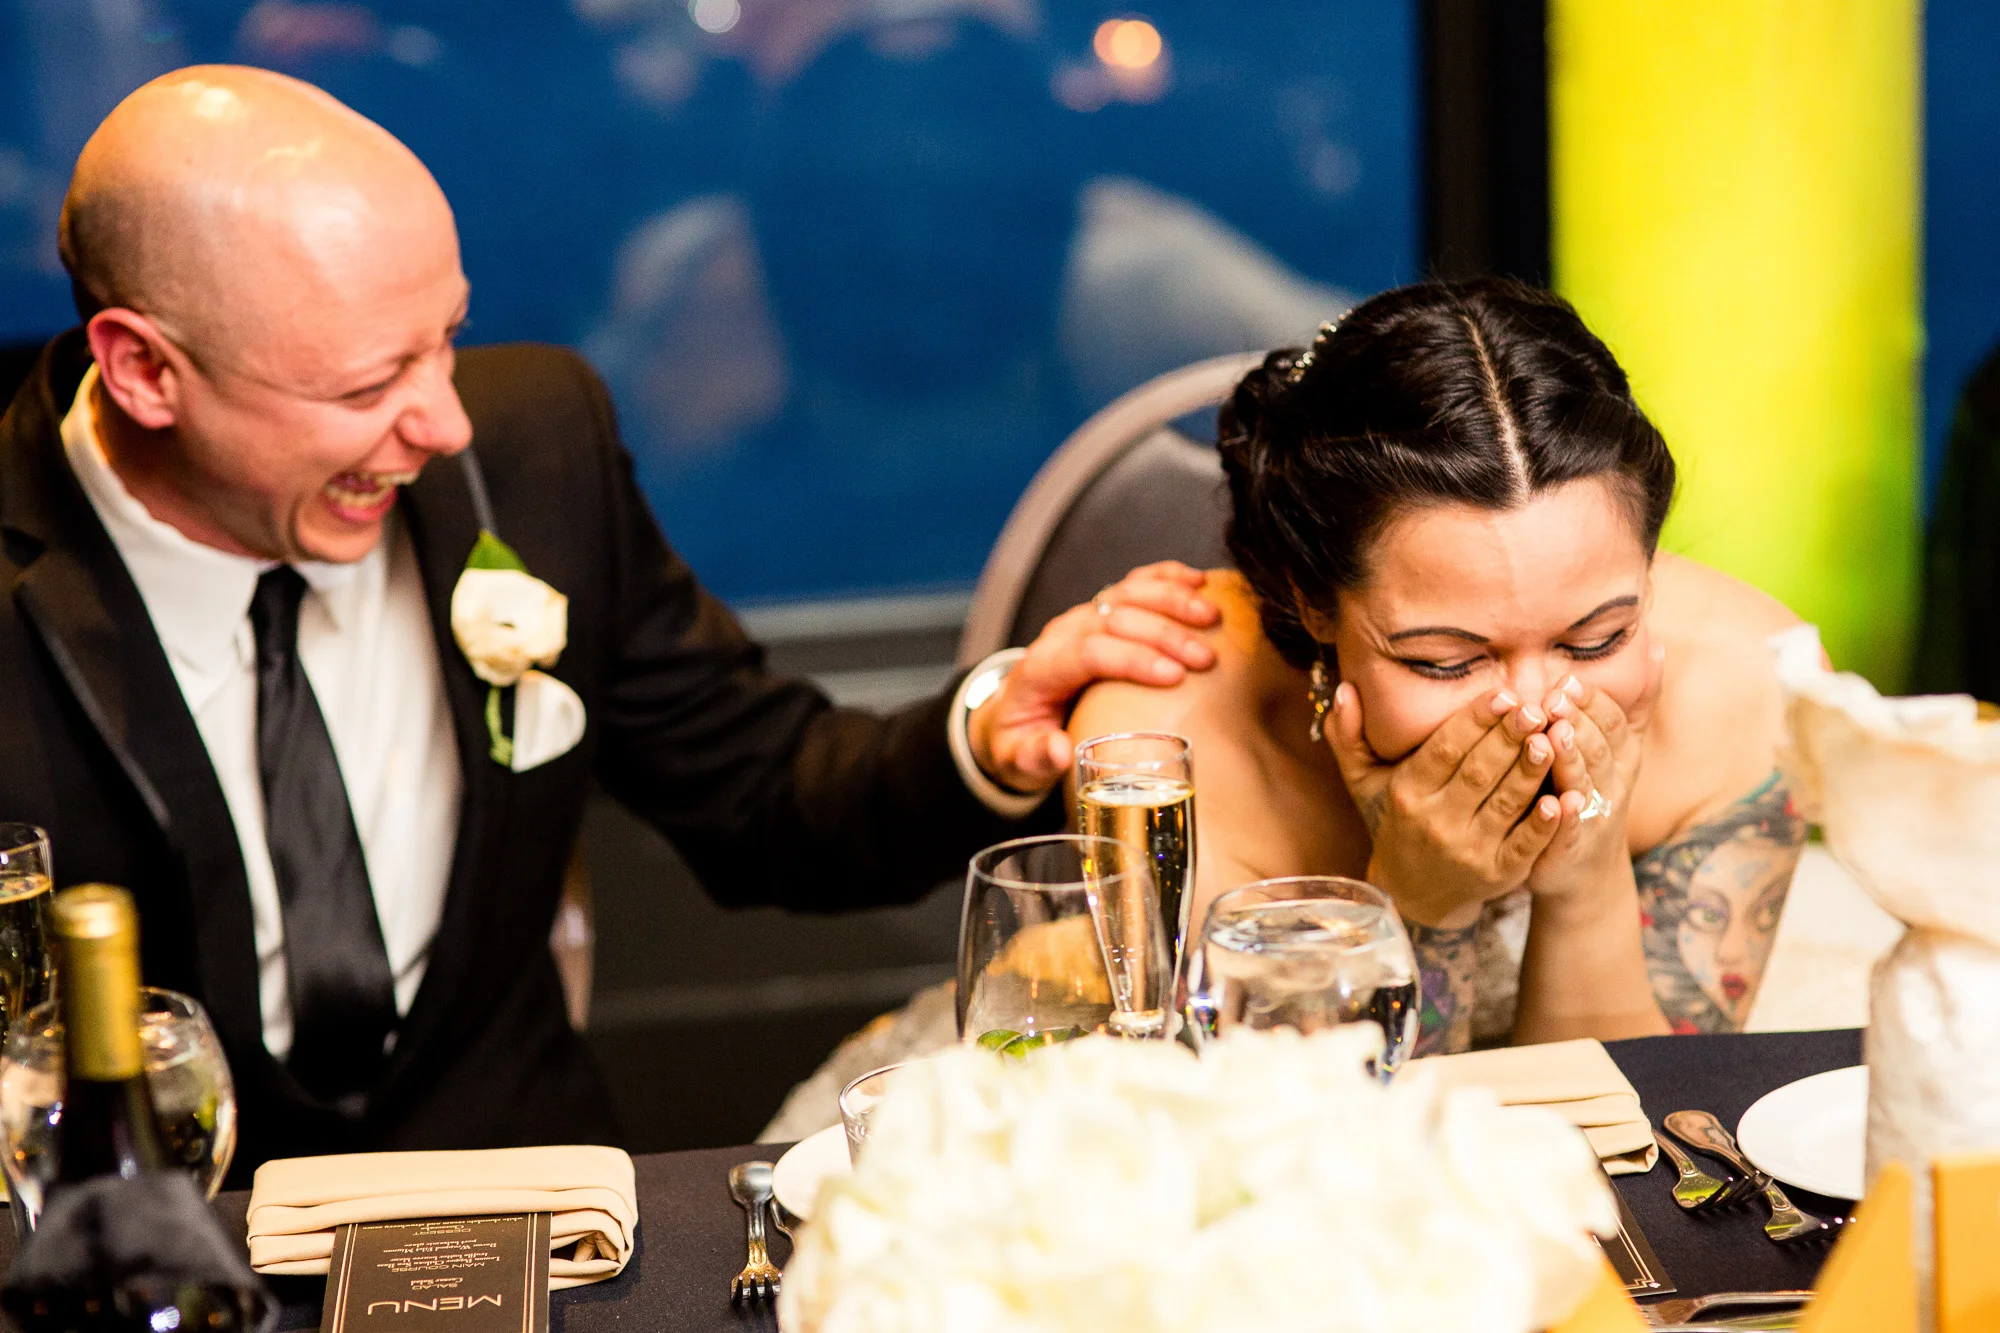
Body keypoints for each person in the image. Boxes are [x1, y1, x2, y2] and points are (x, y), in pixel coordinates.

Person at [0, 65, 1220, 1179]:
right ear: (145, 371)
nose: (443, 425)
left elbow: (766, 791)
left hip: (536, 1204)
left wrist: (986, 729)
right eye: (367, 385)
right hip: (149, 1239)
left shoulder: (535, 449)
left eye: (445, 339)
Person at [1069, 278, 1809, 1054]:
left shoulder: (1750, 683)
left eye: (1597, 640)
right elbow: (1290, 1124)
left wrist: (1588, 884)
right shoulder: (1160, 753)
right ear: (1315, 603)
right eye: (1445, 661)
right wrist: (1421, 904)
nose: (1535, 713)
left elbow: (1650, 1113)